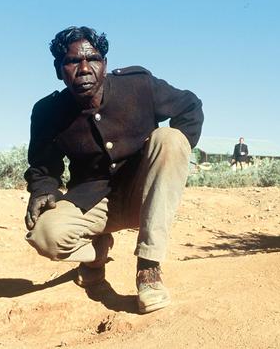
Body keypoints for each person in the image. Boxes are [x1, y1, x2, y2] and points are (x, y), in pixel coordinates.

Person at [23, 26, 203, 314]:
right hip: (92, 202)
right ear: (59, 70)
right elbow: (44, 167)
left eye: (92, 59)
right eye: (72, 62)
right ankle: (97, 253)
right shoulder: (48, 112)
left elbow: (190, 106)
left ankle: (149, 268)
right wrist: (43, 189)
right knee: (45, 235)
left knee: (170, 139)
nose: (84, 69)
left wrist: (173, 160)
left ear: (104, 64)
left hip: (143, 195)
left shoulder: (138, 85)